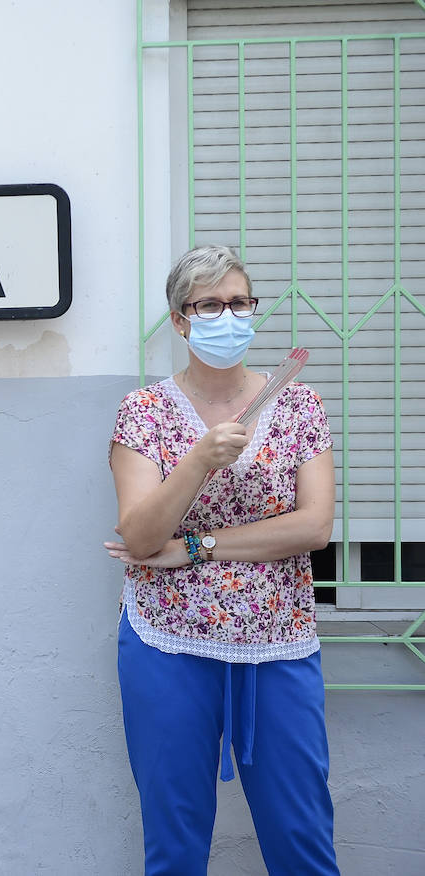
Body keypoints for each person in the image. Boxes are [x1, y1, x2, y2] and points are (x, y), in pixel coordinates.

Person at [103, 246, 339, 875]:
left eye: (239, 303)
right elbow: (140, 534)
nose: (227, 316)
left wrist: (198, 546)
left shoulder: (298, 406)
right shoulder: (144, 413)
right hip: (169, 643)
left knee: (302, 836)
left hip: (277, 641)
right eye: (210, 305)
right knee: (175, 841)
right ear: (181, 320)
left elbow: (313, 527)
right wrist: (198, 461)